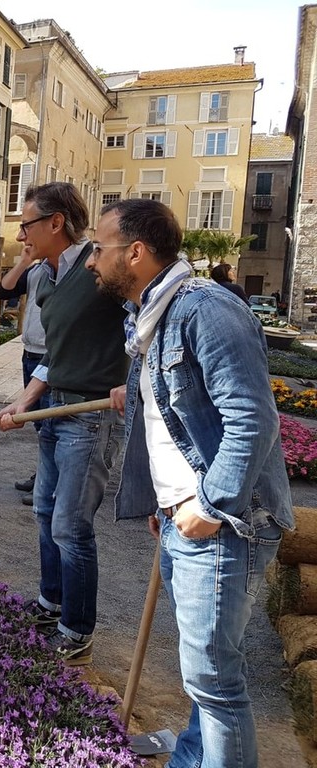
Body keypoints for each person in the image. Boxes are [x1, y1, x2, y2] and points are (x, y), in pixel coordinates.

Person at [87, 197, 293, 768]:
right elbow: (177, 414)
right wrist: (166, 500)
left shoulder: (205, 309)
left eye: (99, 248)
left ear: (136, 252)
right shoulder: (152, 315)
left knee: (215, 683)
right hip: (185, 516)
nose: (91, 260)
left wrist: (207, 503)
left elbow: (253, 419)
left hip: (225, 523)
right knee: (207, 676)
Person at [0, 182, 127, 666]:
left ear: (55, 223)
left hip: (88, 417)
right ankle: (51, 604)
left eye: (26, 224)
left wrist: (133, 376)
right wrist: (22, 401)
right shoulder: (46, 277)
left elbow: (145, 323)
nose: (21, 235)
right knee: (45, 512)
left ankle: (77, 631)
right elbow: (55, 355)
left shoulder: (100, 267)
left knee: (71, 526)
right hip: (53, 411)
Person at [0, 243, 50, 506]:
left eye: (27, 229)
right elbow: (2, 291)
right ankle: (43, 475)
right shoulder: (37, 270)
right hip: (30, 353)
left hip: (49, 355)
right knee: (39, 423)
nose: (21, 237)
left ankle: (48, 483)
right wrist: (24, 261)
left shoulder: (68, 271)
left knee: (49, 422)